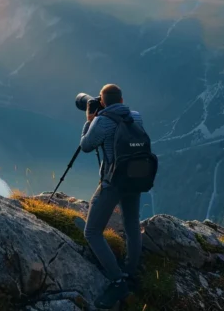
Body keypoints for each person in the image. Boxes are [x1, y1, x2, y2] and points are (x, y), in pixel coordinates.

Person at [79, 84, 144, 308]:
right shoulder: (136, 116)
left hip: (113, 181)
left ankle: (117, 281)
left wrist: (90, 119)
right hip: (135, 178)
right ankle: (130, 272)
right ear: (123, 100)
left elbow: (86, 146)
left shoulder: (102, 120)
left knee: (92, 232)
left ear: (103, 102)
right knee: (132, 224)